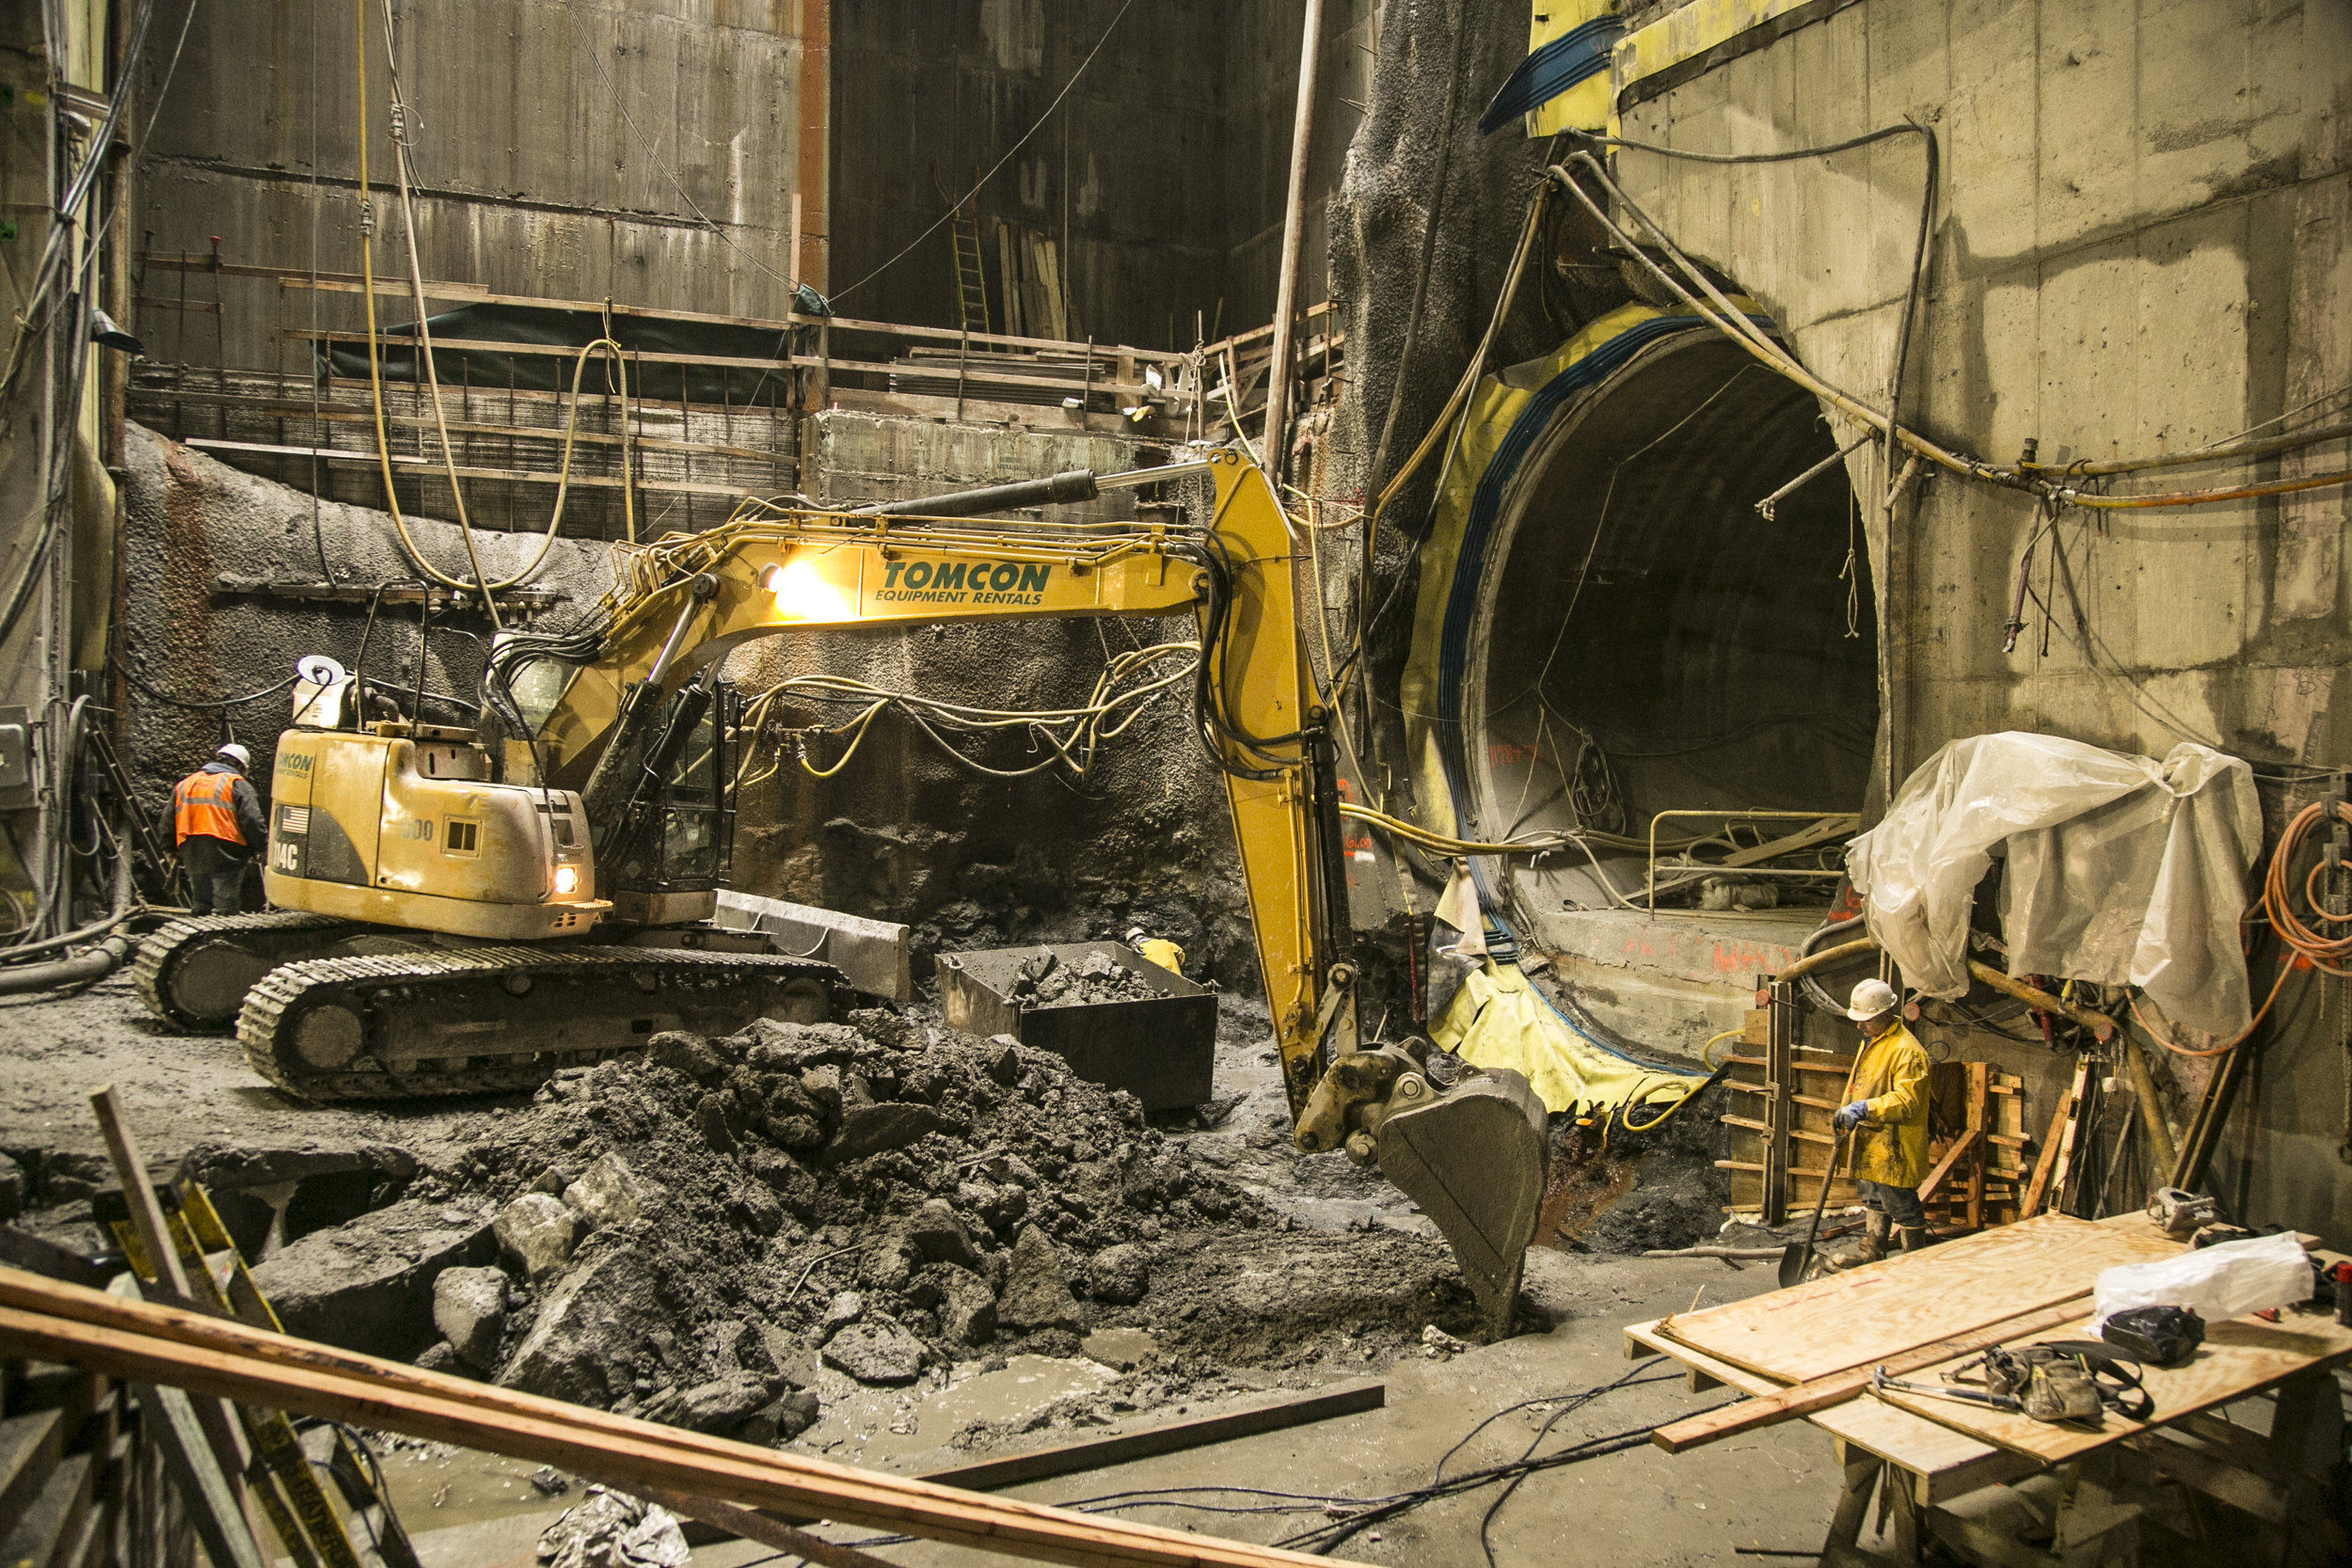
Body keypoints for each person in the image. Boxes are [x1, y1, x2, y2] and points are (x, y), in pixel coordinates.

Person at [1831, 976, 1931, 1261]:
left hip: (1896, 1146)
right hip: (1874, 1142)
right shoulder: (1874, 1040)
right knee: (1873, 1198)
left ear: (1886, 1014)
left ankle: (1915, 1265)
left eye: (1867, 1020)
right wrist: (1849, 1109)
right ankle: (1874, 1255)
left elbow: (1907, 1102)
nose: (1859, 1025)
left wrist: (1863, 1109)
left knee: (1901, 1205)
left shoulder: (1907, 1051)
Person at [160, 743, 269, 917]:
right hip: (227, 848)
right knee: (226, 901)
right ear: (240, 766)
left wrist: (169, 848)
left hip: (192, 848)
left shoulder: (186, 783)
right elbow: (252, 820)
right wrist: (262, 846)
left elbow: (167, 821)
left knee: (201, 901)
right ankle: (224, 935)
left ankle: (200, 932)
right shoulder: (237, 784)